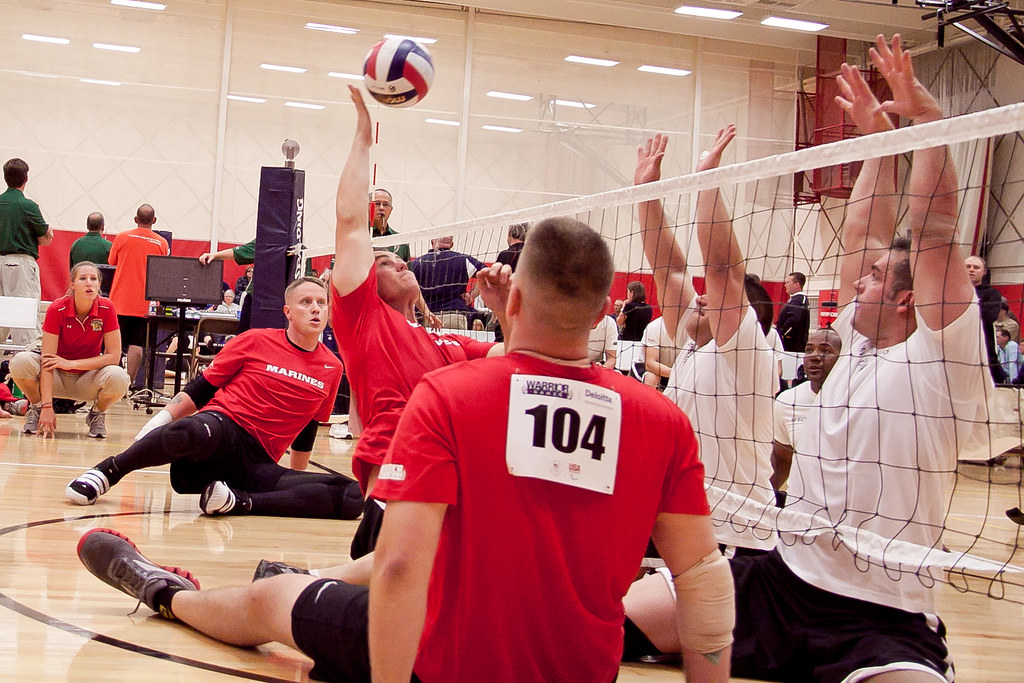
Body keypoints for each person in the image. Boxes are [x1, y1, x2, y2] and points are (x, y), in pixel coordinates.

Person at [75, 217, 734, 683]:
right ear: (602, 315)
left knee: (273, 602)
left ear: (519, 296)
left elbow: (397, 571)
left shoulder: (451, 394)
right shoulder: (660, 419)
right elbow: (704, 581)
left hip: (437, 659)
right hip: (577, 668)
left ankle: (164, 591)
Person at [727, 35, 989, 681]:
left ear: (906, 300)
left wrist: (925, 122)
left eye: (874, 277)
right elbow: (863, 231)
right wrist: (875, 140)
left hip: (881, 609)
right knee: (631, 616)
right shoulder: (855, 337)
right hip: (787, 577)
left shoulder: (940, 357)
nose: (857, 281)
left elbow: (932, 228)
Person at [330, 86, 500, 559]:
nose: (400, 263)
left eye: (397, 260)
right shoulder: (364, 319)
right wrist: (364, 139)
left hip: (459, 475)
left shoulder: (447, 341)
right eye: (384, 263)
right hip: (397, 466)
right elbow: (350, 224)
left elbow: (517, 355)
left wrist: (508, 307)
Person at [64, 276, 363, 521]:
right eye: (306, 302)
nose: (316, 309)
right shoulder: (256, 340)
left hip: (257, 463)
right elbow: (200, 389)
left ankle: (236, 502)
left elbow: (307, 430)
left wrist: (294, 483)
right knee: (192, 428)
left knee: (353, 497)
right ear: (287, 312)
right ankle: (109, 471)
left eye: (321, 303)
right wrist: (159, 424)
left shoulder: (332, 367)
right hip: (220, 432)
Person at [636, 126, 778, 554]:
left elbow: (722, 270)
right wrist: (647, 191)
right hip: (685, 524)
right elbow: (669, 270)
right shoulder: (694, 346)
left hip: (737, 532)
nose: (699, 298)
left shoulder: (745, 348)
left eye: (710, 299)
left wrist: (706, 179)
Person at [9, 261, 130, 438]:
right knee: (20, 362)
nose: (89, 282)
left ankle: (97, 413)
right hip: (56, 375)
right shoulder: (57, 308)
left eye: (93, 279)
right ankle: (35, 407)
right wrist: (47, 407)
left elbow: (113, 356)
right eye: (83, 278)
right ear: (72, 284)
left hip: (87, 379)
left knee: (119, 378)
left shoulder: (107, 307)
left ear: (99, 284)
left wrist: (71, 363)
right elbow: (48, 361)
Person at [769, 327, 842, 506]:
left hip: (847, 512)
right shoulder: (787, 401)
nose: (814, 356)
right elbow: (782, 459)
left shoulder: (860, 400)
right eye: (809, 349)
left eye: (825, 350)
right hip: (801, 509)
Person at [108, 204, 170, 387]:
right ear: (154, 220)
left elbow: (111, 261)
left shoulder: (122, 237)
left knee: (114, 344)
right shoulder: (162, 243)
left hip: (119, 300)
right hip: (146, 303)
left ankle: (111, 383)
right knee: (137, 344)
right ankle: (128, 383)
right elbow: (164, 271)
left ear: (135, 219)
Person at [0, 158, 52, 347]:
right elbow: (45, 234)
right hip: (19, 264)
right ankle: (24, 372)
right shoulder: (27, 206)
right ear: (26, 178)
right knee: (24, 322)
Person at [409, 235, 488, 326]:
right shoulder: (463, 259)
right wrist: (471, 295)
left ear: (432, 242)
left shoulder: (417, 263)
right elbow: (486, 275)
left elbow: (409, 288)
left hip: (427, 318)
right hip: (454, 317)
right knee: (454, 341)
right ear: (451, 244)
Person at [965, 254, 1006, 383]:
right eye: (968, 267)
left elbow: (988, 317)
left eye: (975, 267)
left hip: (983, 349)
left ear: (983, 272)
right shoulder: (950, 292)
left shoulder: (992, 294)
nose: (971, 269)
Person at [491, 222, 528, 342]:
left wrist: (494, 314)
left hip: (507, 312)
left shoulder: (505, 255)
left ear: (509, 234)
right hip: (529, 314)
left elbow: (495, 284)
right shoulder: (534, 254)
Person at [368, 188, 410, 262]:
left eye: (385, 204)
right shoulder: (357, 236)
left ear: (391, 209)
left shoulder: (401, 241)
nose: (381, 208)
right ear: (367, 207)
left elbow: (407, 271)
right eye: (377, 204)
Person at [774, 271, 810, 352]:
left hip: (793, 346)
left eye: (787, 282)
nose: (785, 285)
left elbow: (794, 321)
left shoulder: (799, 300)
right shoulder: (794, 300)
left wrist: (782, 334)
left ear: (796, 285)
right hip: (788, 345)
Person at [641, 316, 680, 388]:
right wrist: (679, 374)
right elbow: (650, 364)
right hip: (655, 370)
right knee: (651, 377)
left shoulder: (694, 328)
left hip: (679, 371)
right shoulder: (655, 327)